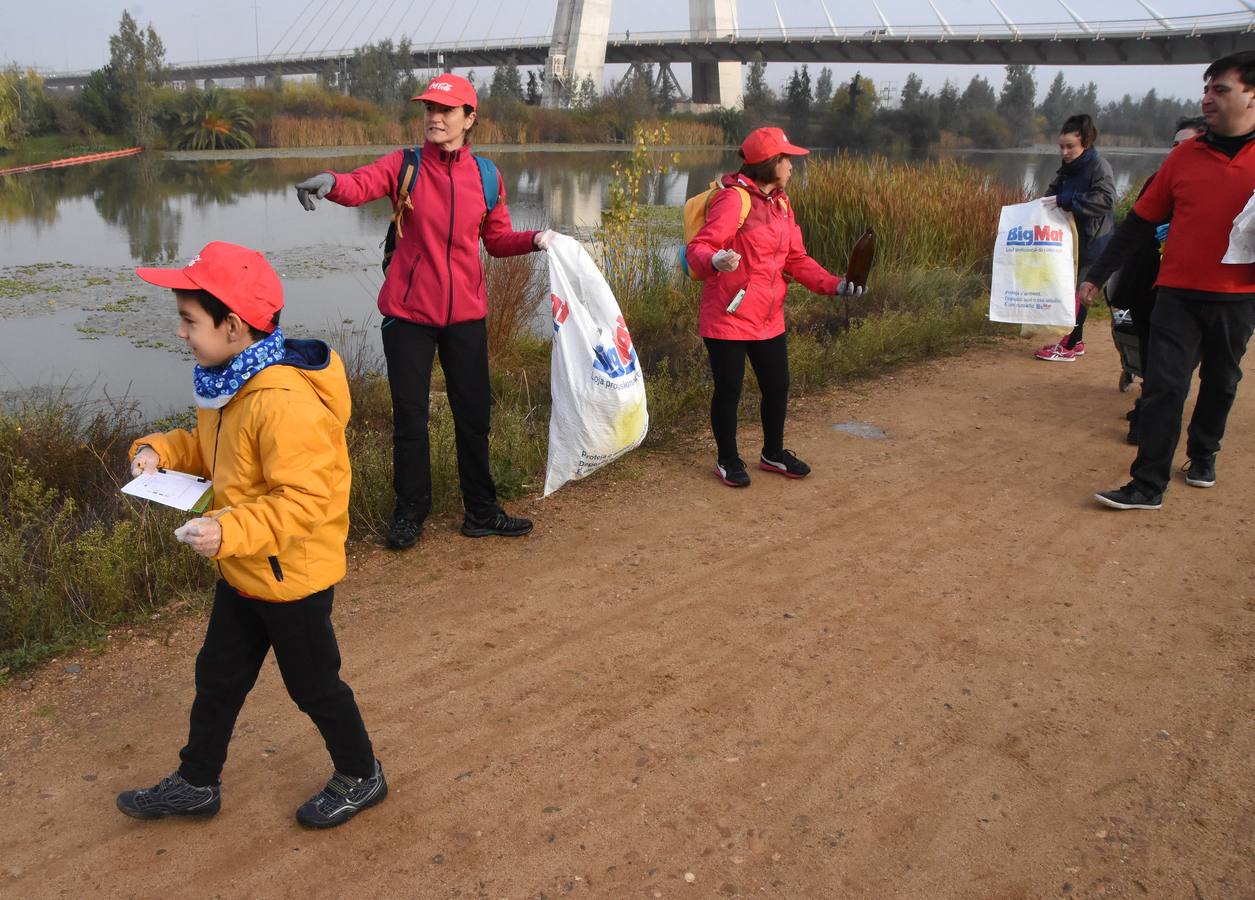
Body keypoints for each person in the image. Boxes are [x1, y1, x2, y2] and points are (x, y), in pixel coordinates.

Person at [116, 241, 385, 829]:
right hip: (243, 569)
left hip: (292, 580)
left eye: (189, 321)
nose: (181, 333)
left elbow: (308, 499)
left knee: (314, 687)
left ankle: (362, 775)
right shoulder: (228, 379)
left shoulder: (282, 401)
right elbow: (216, 454)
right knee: (217, 679)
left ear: (233, 325)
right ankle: (196, 783)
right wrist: (158, 453)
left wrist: (228, 529)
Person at [295, 73, 554, 549]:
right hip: (409, 316)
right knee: (411, 419)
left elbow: (495, 242)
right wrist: (331, 181)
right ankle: (410, 513)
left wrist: (539, 239)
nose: (434, 118)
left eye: (446, 111)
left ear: (469, 119)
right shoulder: (405, 165)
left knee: (473, 417)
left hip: (466, 317)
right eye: (429, 109)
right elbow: (361, 184)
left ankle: (481, 511)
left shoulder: (486, 176)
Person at [1082, 51, 1255, 510]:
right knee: (1164, 386)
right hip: (1177, 292)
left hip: (1239, 297)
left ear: (1252, 96)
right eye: (1206, 89)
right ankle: (1147, 485)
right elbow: (1139, 223)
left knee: (1221, 380)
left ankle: (1203, 455)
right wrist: (1096, 277)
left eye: (1221, 90)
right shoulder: (1183, 158)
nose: (1208, 99)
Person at [685, 126, 864, 487]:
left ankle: (773, 453)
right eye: (787, 159)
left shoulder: (781, 204)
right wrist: (716, 259)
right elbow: (699, 248)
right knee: (730, 389)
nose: (792, 166)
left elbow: (796, 259)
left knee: (778, 385)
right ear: (770, 163)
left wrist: (836, 284)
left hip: (768, 317)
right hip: (728, 315)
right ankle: (728, 460)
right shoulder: (734, 200)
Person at [1107, 116, 1208, 444]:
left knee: (1177, 362)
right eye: (1174, 145)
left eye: (1186, 144)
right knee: (1151, 352)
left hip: (1194, 288)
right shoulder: (1158, 179)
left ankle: (1165, 424)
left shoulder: (1216, 183)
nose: (1177, 151)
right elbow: (1134, 225)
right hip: (1147, 282)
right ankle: (1146, 413)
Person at [1035, 114, 1116, 362]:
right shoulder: (1068, 170)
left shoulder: (1098, 166)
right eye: (1061, 146)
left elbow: (1106, 200)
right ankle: (1076, 340)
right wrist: (1036, 208)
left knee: (1079, 292)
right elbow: (1052, 194)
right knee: (1071, 290)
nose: (1065, 152)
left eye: (1070, 146)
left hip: (1094, 241)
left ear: (1085, 144)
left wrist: (1067, 201)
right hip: (1071, 241)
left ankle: (1069, 345)